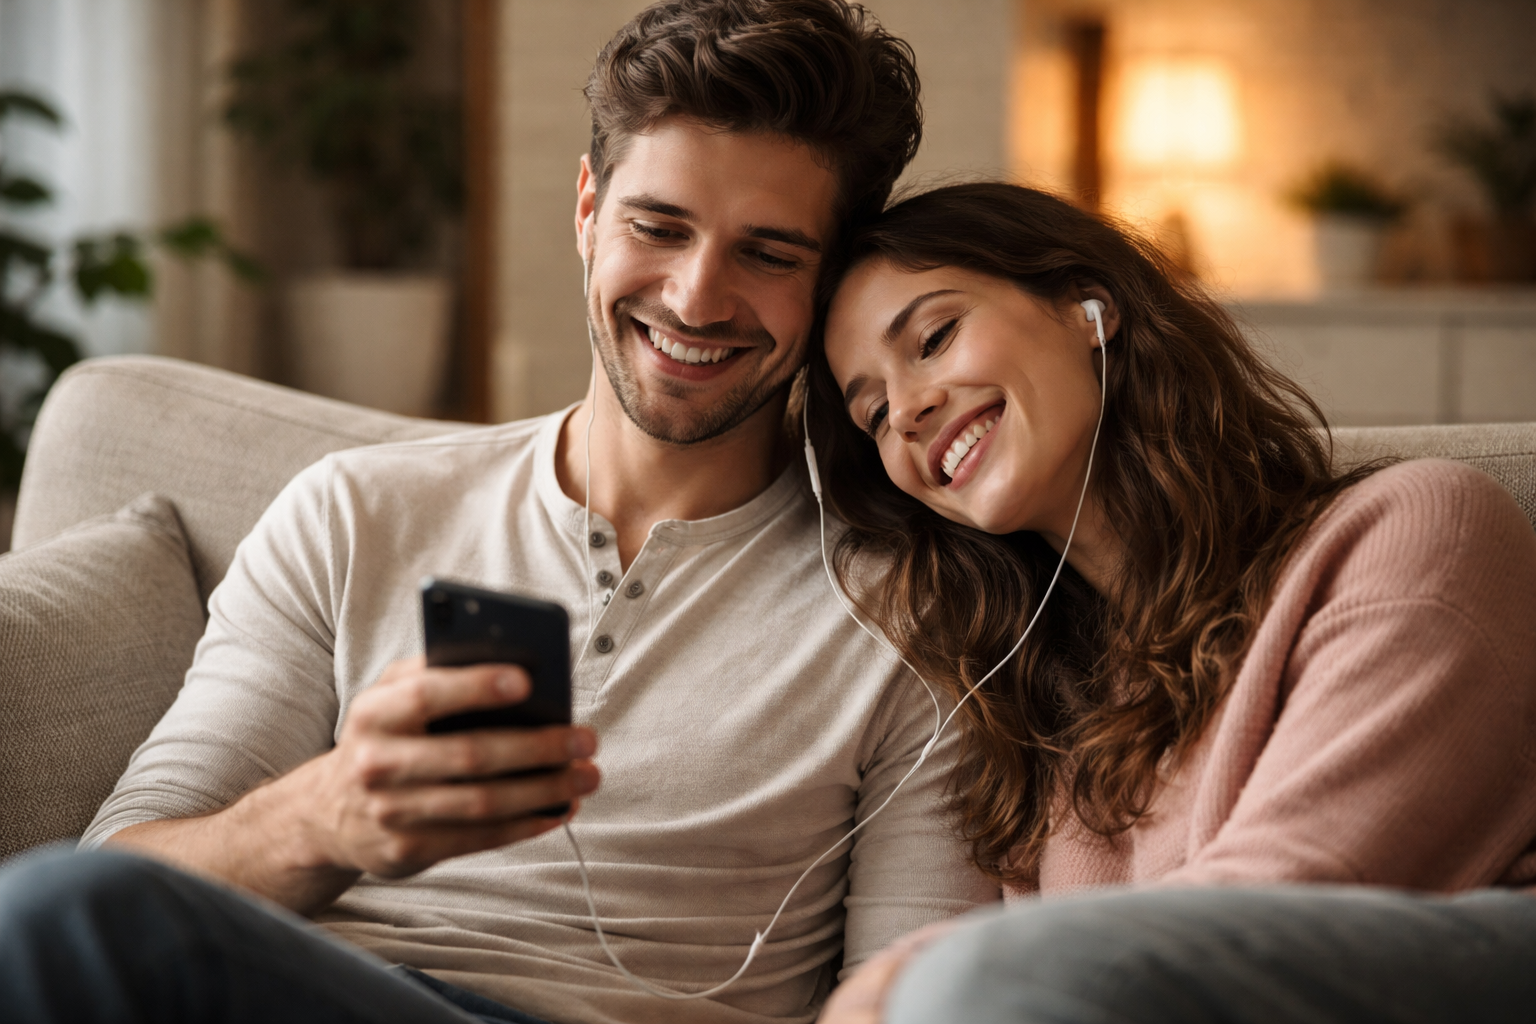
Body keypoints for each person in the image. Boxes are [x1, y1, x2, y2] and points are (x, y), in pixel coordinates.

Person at [0, 5, 1002, 1024]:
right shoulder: (354, 515)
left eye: (770, 254)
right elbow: (117, 882)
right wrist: (329, 817)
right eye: (658, 228)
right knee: (47, 909)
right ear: (586, 210)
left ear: (829, 281)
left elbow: (920, 996)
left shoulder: (914, 606)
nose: (698, 298)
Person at [804, 182, 1536, 1023]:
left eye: (934, 337)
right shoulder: (1044, 726)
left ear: (1091, 308)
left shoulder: (1417, 531)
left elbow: (1286, 900)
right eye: (871, 414)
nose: (907, 409)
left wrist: (932, 972)